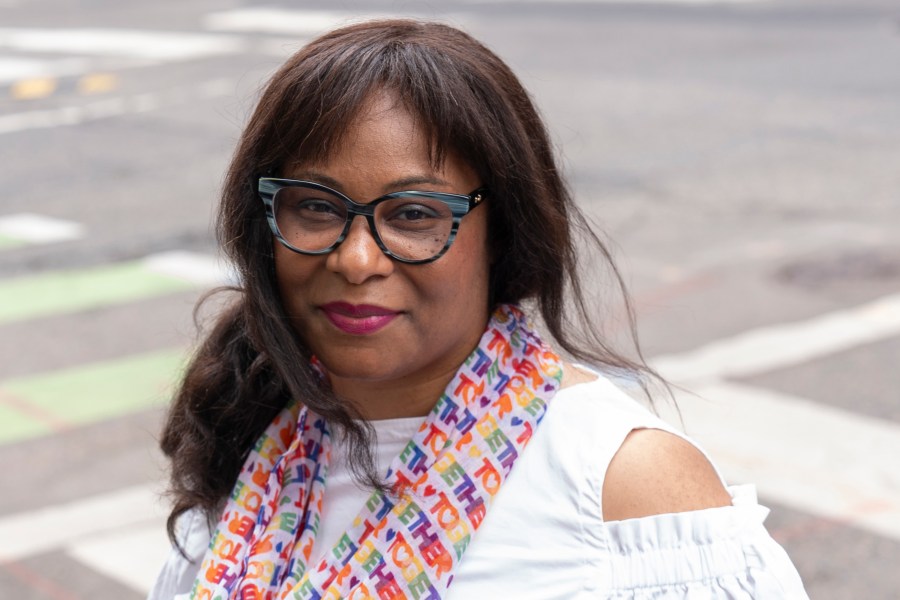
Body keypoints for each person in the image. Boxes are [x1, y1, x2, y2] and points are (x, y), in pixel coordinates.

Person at [149, 19, 808, 599]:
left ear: (503, 232)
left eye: (413, 215)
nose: (355, 260)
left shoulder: (623, 485)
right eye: (316, 207)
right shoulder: (261, 451)